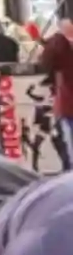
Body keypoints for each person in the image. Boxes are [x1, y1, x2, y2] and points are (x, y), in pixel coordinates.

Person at [39, 19, 73, 167]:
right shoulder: (59, 44)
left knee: (69, 140)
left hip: (66, 102)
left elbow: (45, 64)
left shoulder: (55, 44)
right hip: (67, 101)